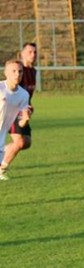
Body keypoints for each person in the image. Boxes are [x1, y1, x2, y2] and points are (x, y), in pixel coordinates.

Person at [1, 43, 38, 180]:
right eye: (29, 52)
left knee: (26, 142)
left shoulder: (33, 71)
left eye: (35, 52)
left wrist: (28, 107)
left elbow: (24, 95)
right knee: (20, 142)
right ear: (21, 54)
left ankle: (2, 151)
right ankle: (2, 168)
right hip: (12, 112)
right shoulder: (17, 70)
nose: (33, 55)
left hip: (22, 111)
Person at [0, 59, 30, 178]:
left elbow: (21, 124)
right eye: (13, 71)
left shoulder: (24, 95)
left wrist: (26, 119)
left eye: (20, 71)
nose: (17, 74)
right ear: (6, 73)